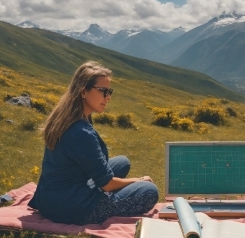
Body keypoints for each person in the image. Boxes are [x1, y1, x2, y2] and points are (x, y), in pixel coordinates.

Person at [28, 61, 159, 225]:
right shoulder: (81, 132)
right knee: (149, 191)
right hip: (70, 208)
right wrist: (139, 180)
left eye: (109, 91)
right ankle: (96, 208)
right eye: (103, 91)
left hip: (50, 198)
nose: (108, 97)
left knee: (122, 162)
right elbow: (107, 185)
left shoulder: (68, 118)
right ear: (84, 91)